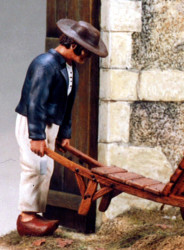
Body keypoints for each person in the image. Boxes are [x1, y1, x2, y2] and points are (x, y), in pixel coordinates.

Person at [15, 19, 108, 236]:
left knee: (45, 169)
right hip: (34, 122)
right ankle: (26, 218)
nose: (89, 58)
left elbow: (67, 103)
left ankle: (34, 213)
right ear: (75, 46)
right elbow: (34, 102)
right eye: (88, 52)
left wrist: (64, 133)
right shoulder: (45, 64)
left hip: (50, 123)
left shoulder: (69, 67)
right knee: (33, 167)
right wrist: (36, 135)